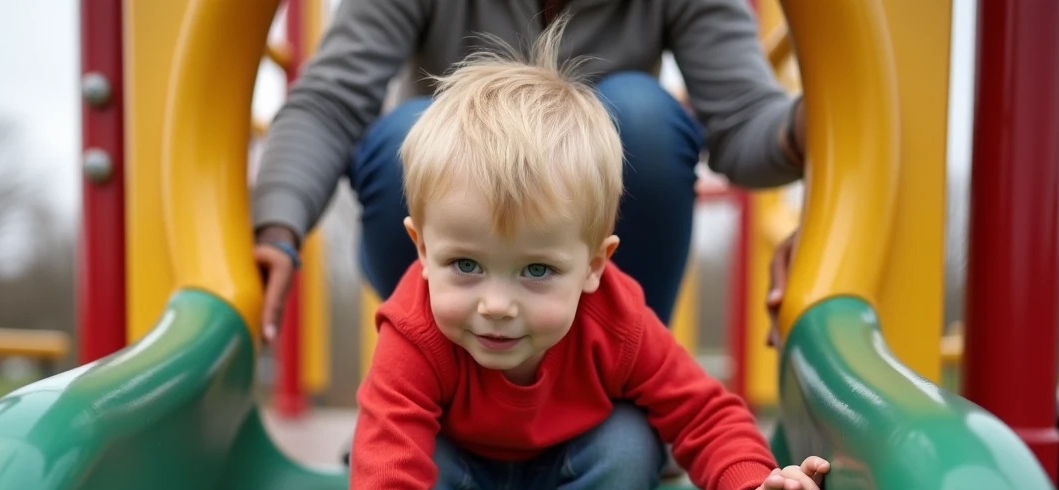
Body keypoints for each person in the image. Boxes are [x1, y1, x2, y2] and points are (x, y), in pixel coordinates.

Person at [330, 21, 830, 490]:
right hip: (456, 476)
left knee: (632, 438)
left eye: (536, 271)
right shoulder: (414, 330)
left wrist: (750, 485)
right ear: (419, 247)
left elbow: (700, 409)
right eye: (465, 265)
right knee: (399, 444)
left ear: (595, 265)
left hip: (562, 479)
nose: (496, 304)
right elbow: (384, 479)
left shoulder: (617, 320)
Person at [251, 0, 806, 341]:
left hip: (574, 240)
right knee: (405, 138)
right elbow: (330, 100)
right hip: (456, 232)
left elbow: (744, 124)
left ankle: (631, 378)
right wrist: (278, 226)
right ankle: (425, 387)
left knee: (644, 115)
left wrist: (815, 124)